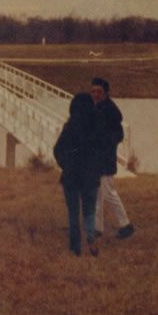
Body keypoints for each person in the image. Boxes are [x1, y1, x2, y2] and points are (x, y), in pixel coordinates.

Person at [53, 93, 102, 257]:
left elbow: (57, 150)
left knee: (73, 213)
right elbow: (102, 151)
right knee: (89, 212)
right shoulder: (96, 127)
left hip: (71, 176)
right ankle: (91, 240)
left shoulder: (70, 127)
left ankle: (75, 248)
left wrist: (65, 165)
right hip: (90, 177)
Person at [90, 77, 134, 239]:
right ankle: (97, 228)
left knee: (109, 193)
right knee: (97, 194)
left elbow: (118, 135)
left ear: (106, 93)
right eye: (93, 91)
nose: (96, 94)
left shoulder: (110, 111)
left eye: (99, 91)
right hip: (96, 158)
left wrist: (104, 144)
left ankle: (126, 225)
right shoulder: (97, 107)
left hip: (105, 159)